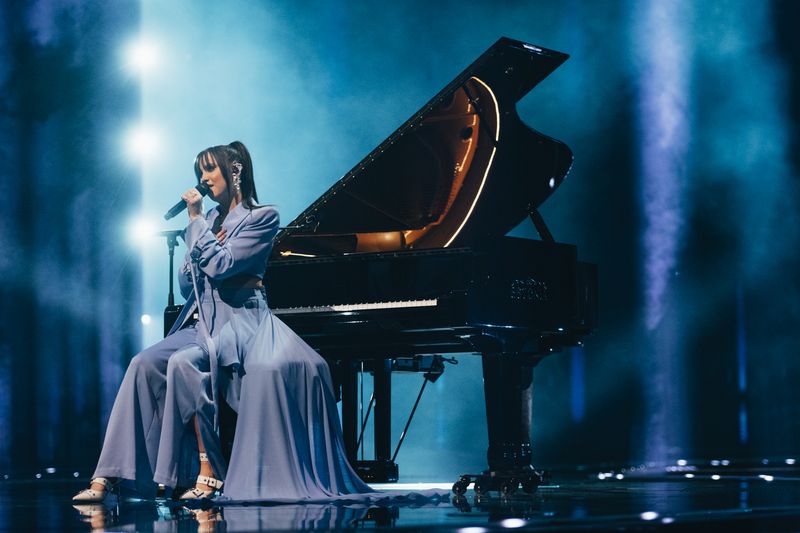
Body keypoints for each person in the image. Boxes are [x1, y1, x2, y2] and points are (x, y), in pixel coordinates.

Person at [73, 141, 374, 502]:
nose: (203, 178)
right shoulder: (209, 221)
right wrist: (199, 240)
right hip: (202, 320)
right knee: (143, 363)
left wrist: (197, 225)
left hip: (240, 319)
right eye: (200, 172)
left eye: (210, 169)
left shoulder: (263, 217)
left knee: (186, 364)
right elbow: (188, 283)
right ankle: (108, 475)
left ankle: (208, 469)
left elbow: (224, 266)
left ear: (236, 170)